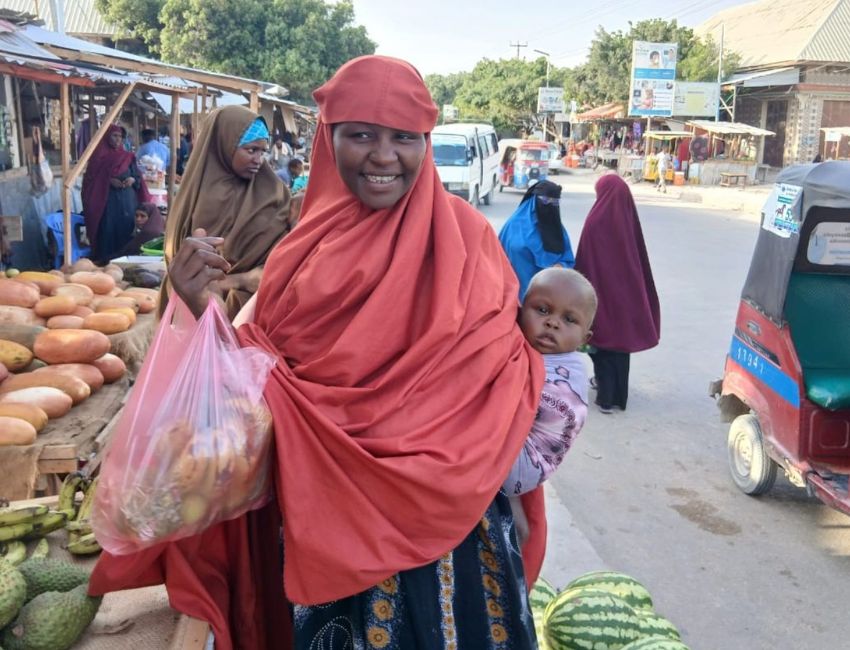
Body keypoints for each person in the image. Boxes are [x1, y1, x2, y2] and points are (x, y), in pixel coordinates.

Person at [90, 55, 545, 650]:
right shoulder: (302, 250)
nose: (384, 157)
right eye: (360, 134)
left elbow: (501, 369)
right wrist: (200, 309)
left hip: (447, 530)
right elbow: (254, 381)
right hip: (324, 520)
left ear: (425, 143)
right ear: (328, 140)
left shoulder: (469, 239)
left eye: (404, 137)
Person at [160, 105, 293, 320]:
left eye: (263, 151)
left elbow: (291, 251)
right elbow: (183, 267)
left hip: (261, 314)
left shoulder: (273, 191)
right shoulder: (197, 199)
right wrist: (240, 280)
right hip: (205, 315)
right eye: (251, 150)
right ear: (225, 146)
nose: (258, 160)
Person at [505, 267, 595, 543]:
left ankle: (510, 505)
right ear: (520, 310)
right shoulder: (540, 357)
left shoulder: (566, 372)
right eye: (542, 310)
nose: (552, 323)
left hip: (525, 463)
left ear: (584, 339)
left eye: (569, 319)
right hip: (527, 465)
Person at [574, 174, 660, 414]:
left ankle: (605, 397)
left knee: (601, 345)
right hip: (625, 298)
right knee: (620, 348)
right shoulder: (628, 222)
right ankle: (618, 397)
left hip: (601, 298)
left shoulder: (595, 222)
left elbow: (584, 262)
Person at [81, 124, 150, 263]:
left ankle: (124, 260)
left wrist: (132, 179)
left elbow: (137, 177)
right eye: (114, 136)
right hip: (107, 203)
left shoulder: (127, 156)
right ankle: (106, 261)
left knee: (126, 229)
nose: (118, 139)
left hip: (127, 201)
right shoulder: (97, 157)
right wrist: (108, 181)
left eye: (120, 136)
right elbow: (90, 181)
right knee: (108, 230)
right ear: (106, 137)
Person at [498, 179, 576, 298]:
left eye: (555, 202)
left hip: (547, 297)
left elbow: (568, 259)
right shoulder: (514, 226)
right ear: (534, 201)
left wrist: (560, 266)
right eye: (545, 200)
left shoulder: (557, 229)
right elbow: (498, 258)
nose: (550, 205)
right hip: (515, 295)